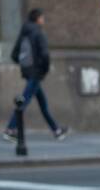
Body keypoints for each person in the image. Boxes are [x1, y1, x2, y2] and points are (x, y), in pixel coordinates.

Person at [5, 8, 68, 142]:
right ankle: (10, 129)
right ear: (38, 19)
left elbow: (14, 55)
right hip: (35, 73)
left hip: (28, 72)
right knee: (24, 101)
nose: (43, 20)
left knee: (42, 104)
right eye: (42, 18)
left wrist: (25, 65)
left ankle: (56, 130)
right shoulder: (38, 33)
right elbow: (45, 55)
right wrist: (43, 70)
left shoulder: (24, 33)